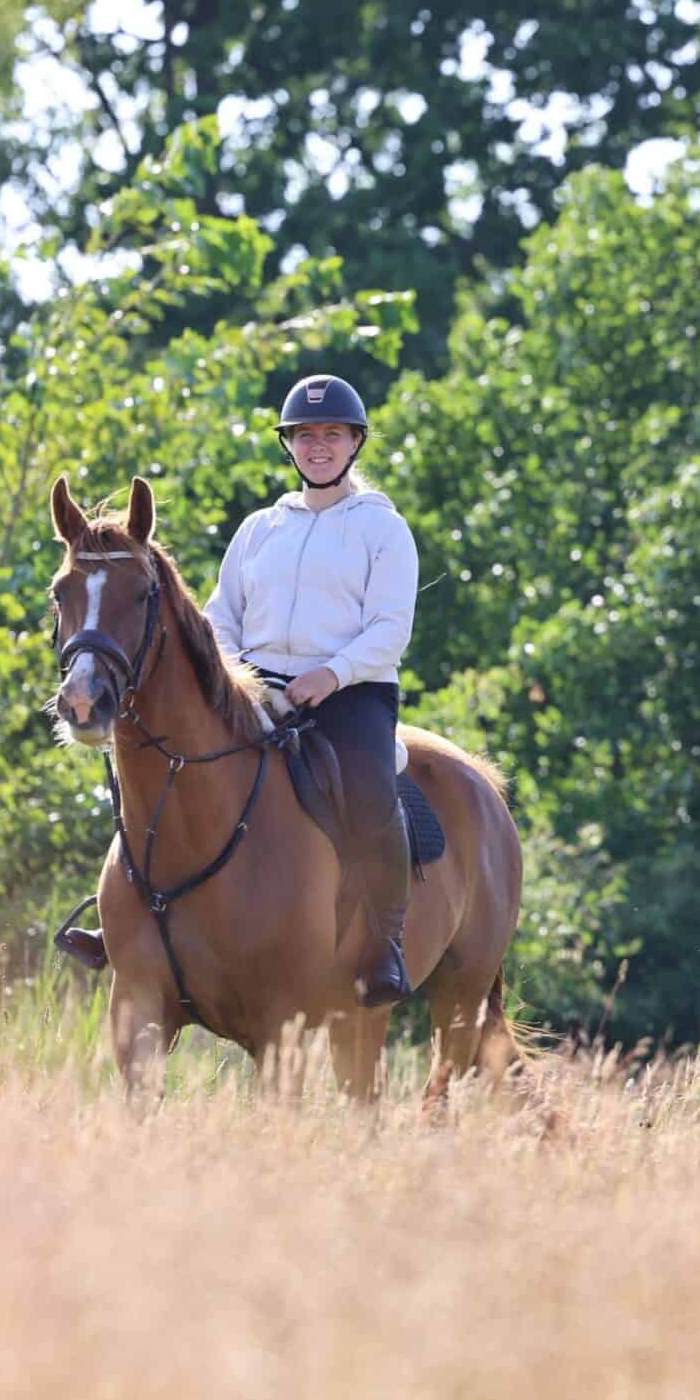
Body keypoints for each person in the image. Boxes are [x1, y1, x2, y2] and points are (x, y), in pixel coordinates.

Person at [205, 372, 420, 1005]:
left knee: (372, 796)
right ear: (288, 446)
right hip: (254, 684)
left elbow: (390, 627)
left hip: (350, 690)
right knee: (167, 765)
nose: (317, 446)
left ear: (355, 442)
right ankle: (129, 913)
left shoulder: (384, 530)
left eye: (331, 434)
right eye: (304, 435)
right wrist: (233, 670)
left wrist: (331, 675)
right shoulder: (258, 529)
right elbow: (221, 613)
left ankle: (384, 945)